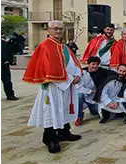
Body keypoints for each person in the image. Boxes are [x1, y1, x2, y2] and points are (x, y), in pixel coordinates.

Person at [22, 20, 82, 154]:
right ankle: (49, 138)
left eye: (61, 29)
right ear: (49, 30)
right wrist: (71, 79)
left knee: (64, 108)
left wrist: (78, 75)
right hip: (53, 87)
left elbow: (73, 62)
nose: (58, 31)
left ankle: (64, 132)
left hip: (67, 85)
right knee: (52, 110)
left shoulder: (64, 47)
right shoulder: (45, 46)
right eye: (55, 28)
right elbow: (48, 70)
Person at [75, 56, 114, 126]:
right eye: (93, 64)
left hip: (96, 100)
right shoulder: (82, 73)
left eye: (97, 64)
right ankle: (79, 117)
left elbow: (114, 74)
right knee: (79, 96)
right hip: (86, 96)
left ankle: (92, 110)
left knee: (104, 113)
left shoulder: (102, 71)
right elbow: (78, 88)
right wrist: (92, 91)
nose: (95, 66)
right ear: (88, 64)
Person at [0, 35, 18, 101]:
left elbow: (10, 51)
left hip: (4, 63)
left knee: (7, 80)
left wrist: (9, 60)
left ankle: (10, 95)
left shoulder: (5, 43)